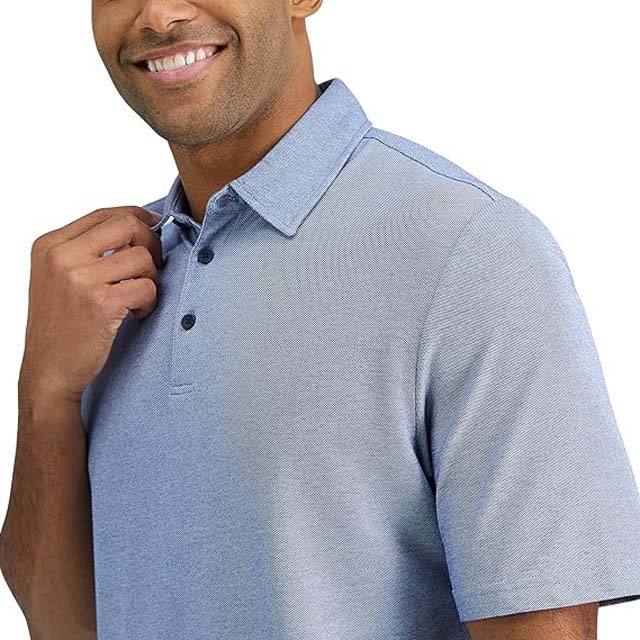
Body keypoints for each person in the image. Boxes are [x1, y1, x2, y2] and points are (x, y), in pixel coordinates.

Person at [1, 2, 639, 639]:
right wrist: (46, 392)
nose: (159, 14)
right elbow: (63, 629)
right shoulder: (103, 291)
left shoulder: (471, 251)